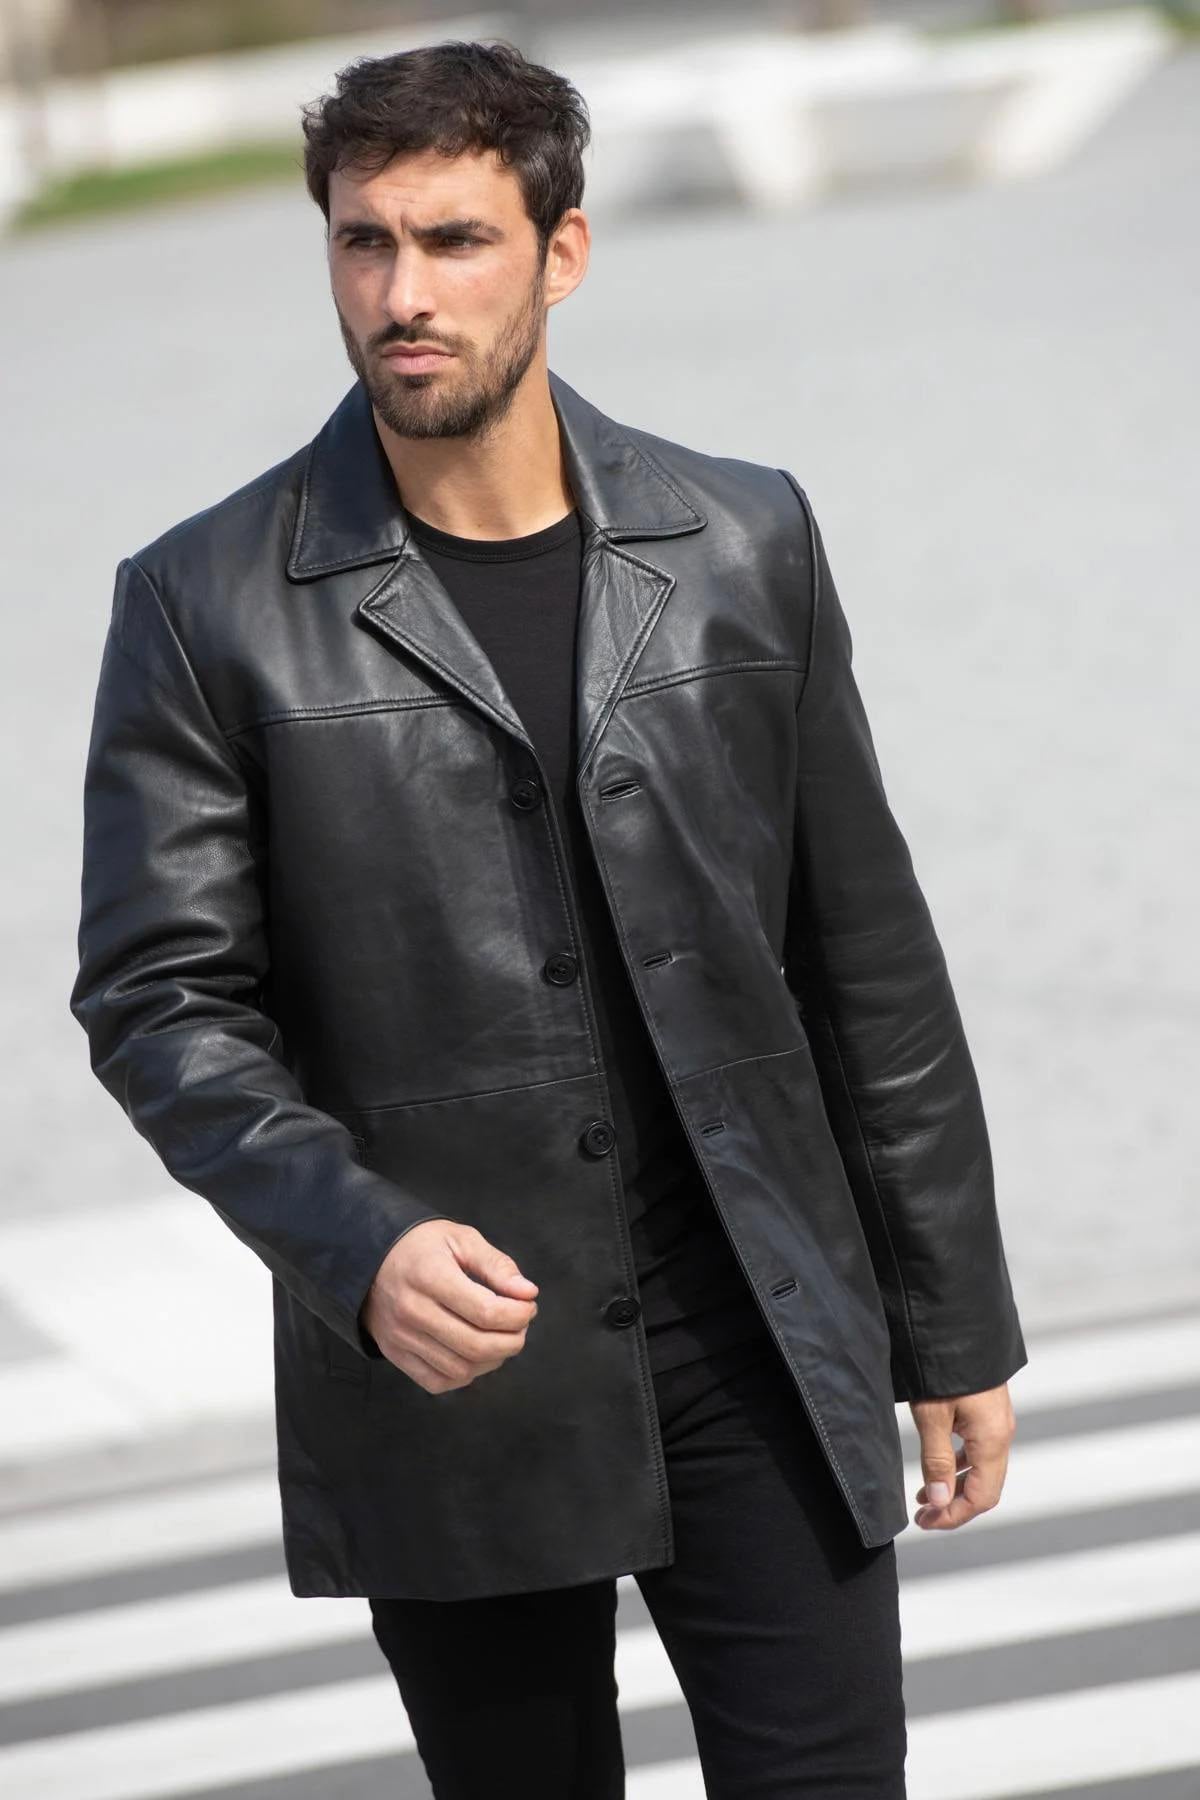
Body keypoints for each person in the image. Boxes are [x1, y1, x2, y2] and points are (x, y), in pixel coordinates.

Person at [69, 37, 1028, 1798]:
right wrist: (356, 1244)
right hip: (455, 1363)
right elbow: (161, 1002)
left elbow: (865, 953)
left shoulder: (743, 539)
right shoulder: (203, 606)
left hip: (754, 1325)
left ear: (561, 251)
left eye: (454, 241)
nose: (402, 296)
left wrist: (949, 1319)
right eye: (365, 243)